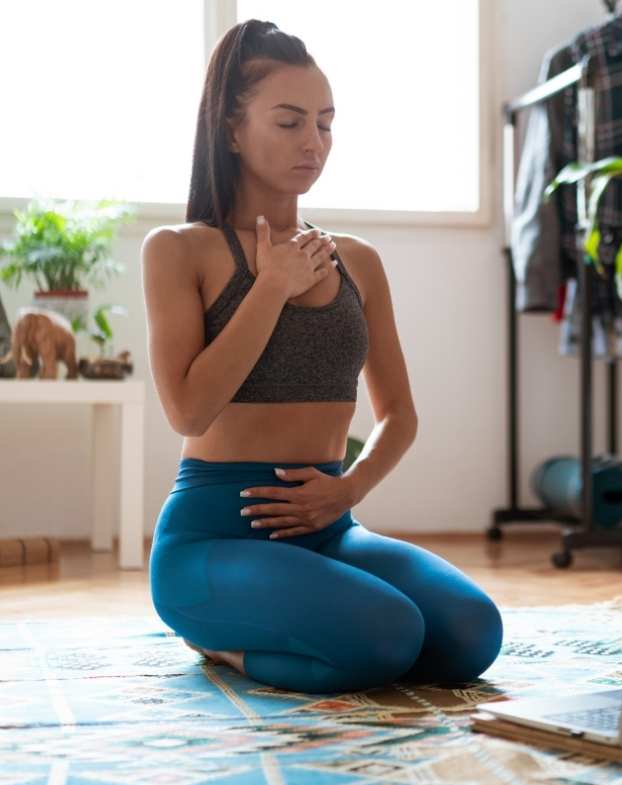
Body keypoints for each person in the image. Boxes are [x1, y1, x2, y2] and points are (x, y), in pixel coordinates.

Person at [142, 19, 503, 694]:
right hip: (213, 539)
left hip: (329, 528)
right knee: (388, 636)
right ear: (231, 129)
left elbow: (399, 415)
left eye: (326, 123)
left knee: (472, 632)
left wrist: (349, 490)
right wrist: (271, 287)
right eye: (289, 122)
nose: (314, 142)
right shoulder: (179, 250)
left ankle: (315, 626)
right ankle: (221, 644)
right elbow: (188, 410)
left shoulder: (358, 260)